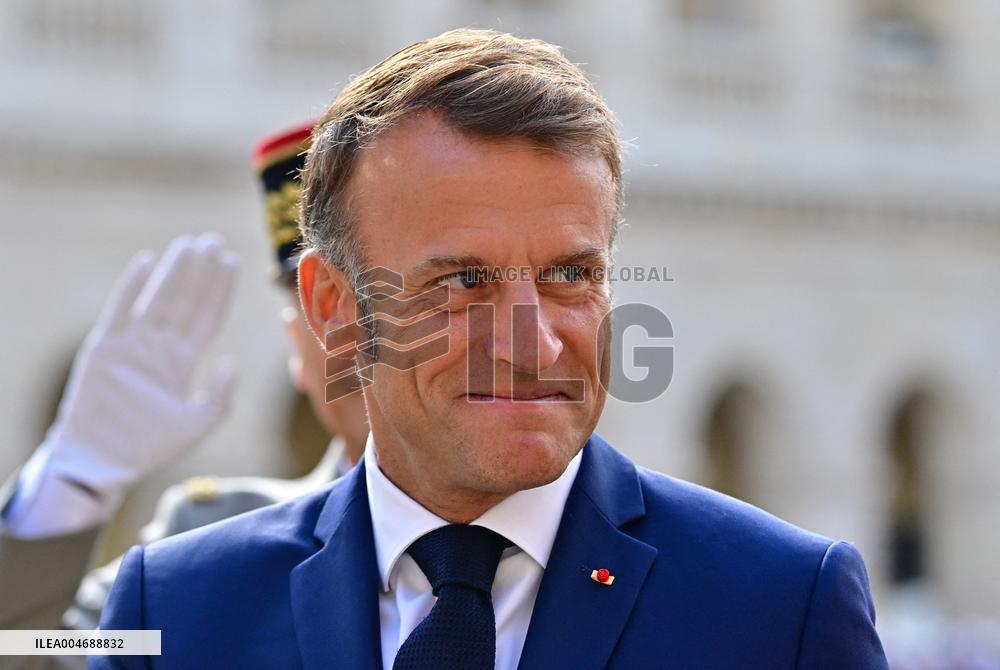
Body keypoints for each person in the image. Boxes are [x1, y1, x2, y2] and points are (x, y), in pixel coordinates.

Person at [94, 28, 889, 669]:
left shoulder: (781, 606)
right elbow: (28, 643)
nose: (534, 340)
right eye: (466, 282)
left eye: (571, 274)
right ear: (332, 308)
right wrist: (71, 482)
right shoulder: (174, 610)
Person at [0, 125, 367, 665]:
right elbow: (29, 651)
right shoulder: (203, 546)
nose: (373, 334)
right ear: (297, 345)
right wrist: (72, 479)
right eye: (330, 304)